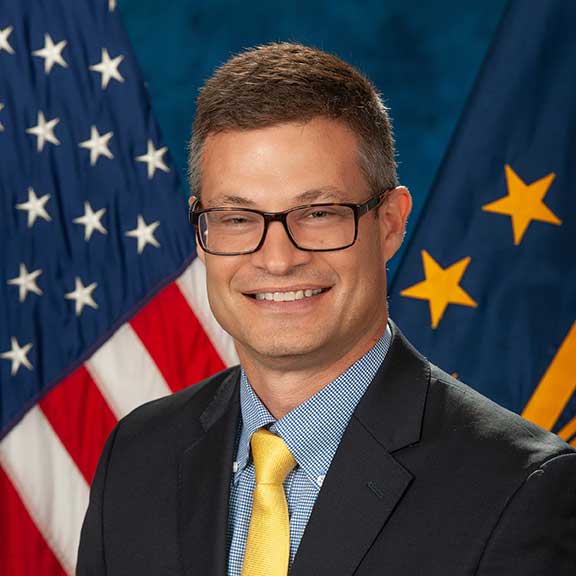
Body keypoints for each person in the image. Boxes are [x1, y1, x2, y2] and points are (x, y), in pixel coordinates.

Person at [77, 42, 576, 575]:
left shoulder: (519, 489)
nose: (278, 258)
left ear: (389, 223)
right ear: (201, 233)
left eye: (318, 212)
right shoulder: (137, 456)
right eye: (238, 218)